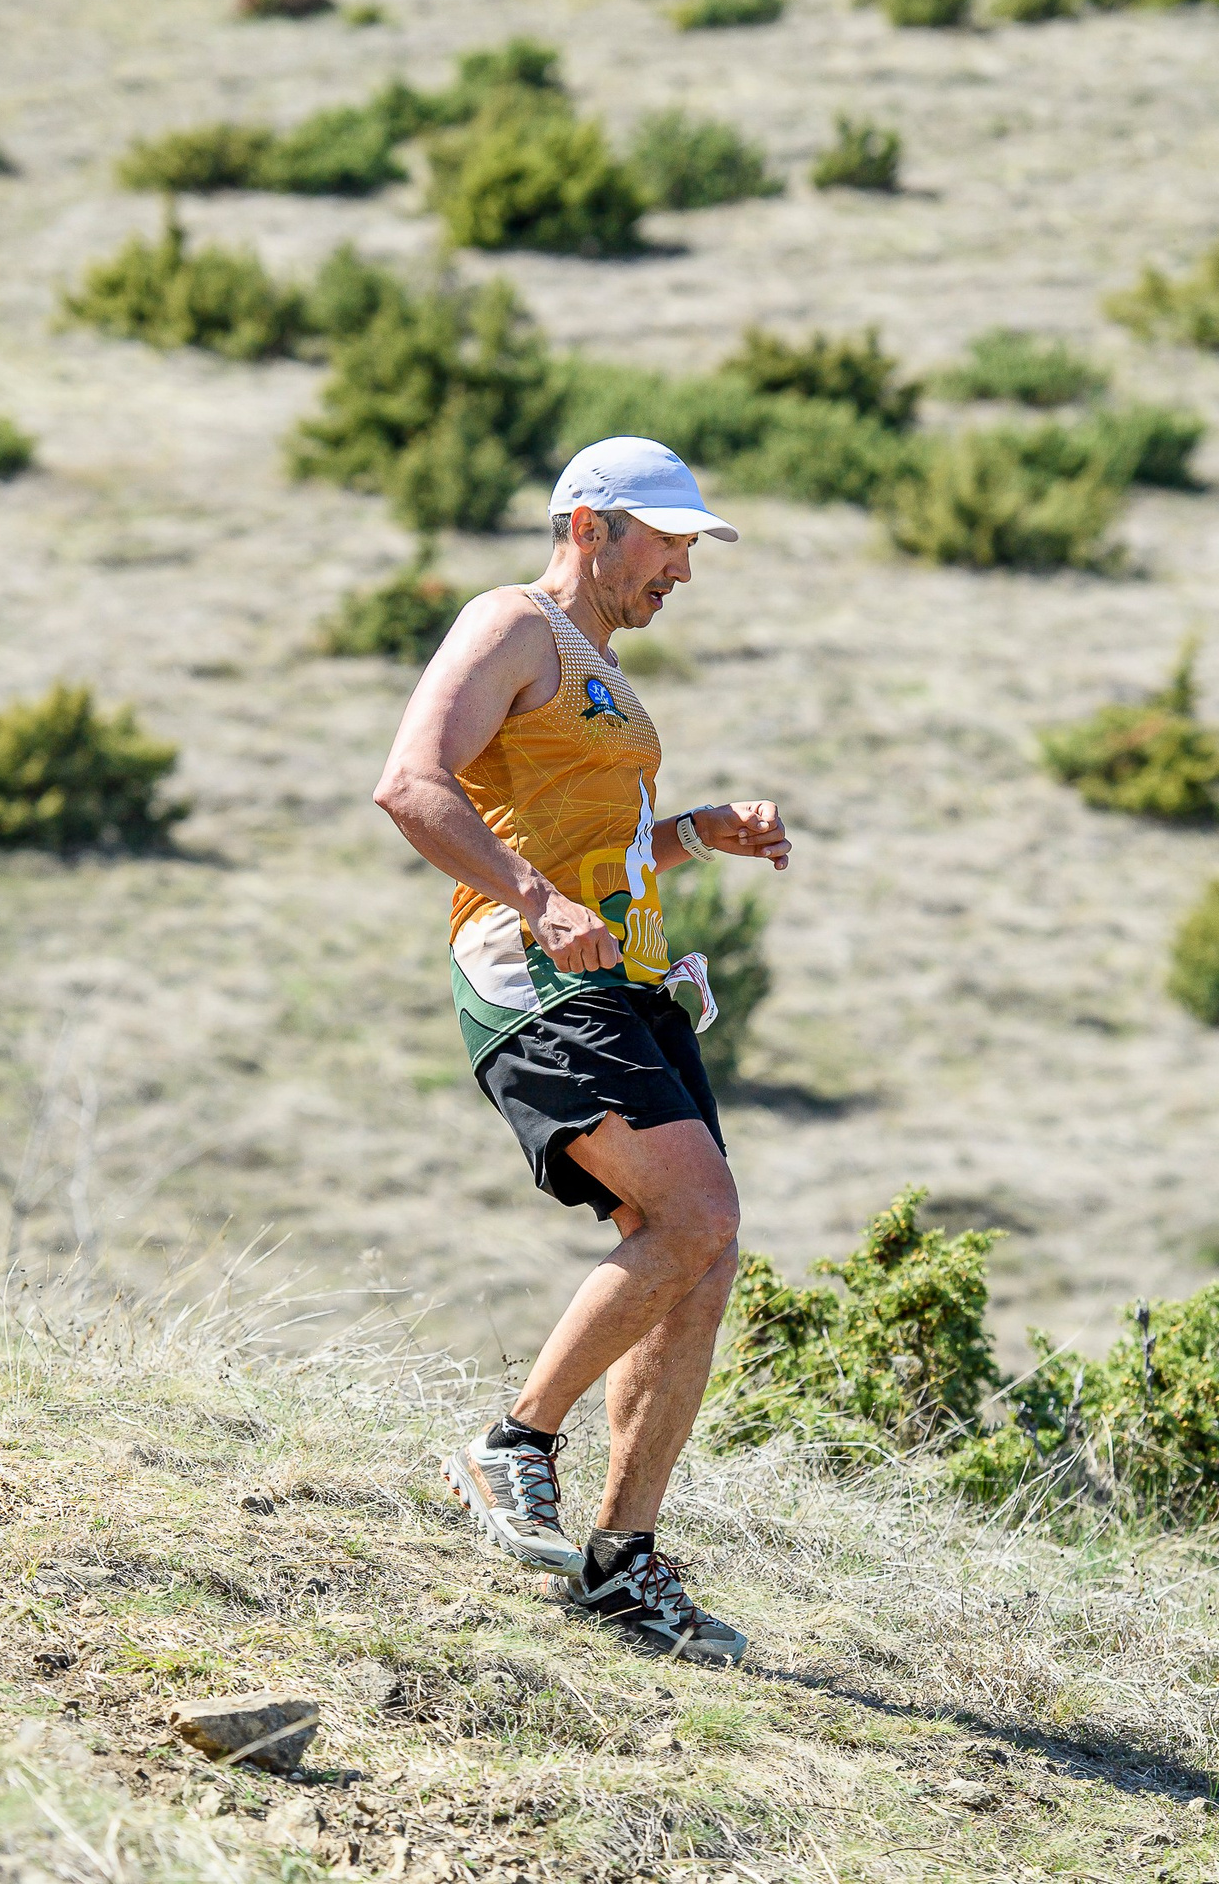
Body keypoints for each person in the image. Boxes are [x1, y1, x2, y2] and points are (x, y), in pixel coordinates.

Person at [371, 436, 791, 1667]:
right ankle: (511, 1442)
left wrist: (696, 832)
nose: (683, 572)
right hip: (536, 977)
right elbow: (410, 786)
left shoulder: (602, 671)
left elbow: (595, 839)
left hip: (626, 980)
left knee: (697, 1256)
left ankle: (620, 1564)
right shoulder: (511, 625)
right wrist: (532, 895)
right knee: (697, 1214)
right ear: (591, 523)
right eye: (667, 541)